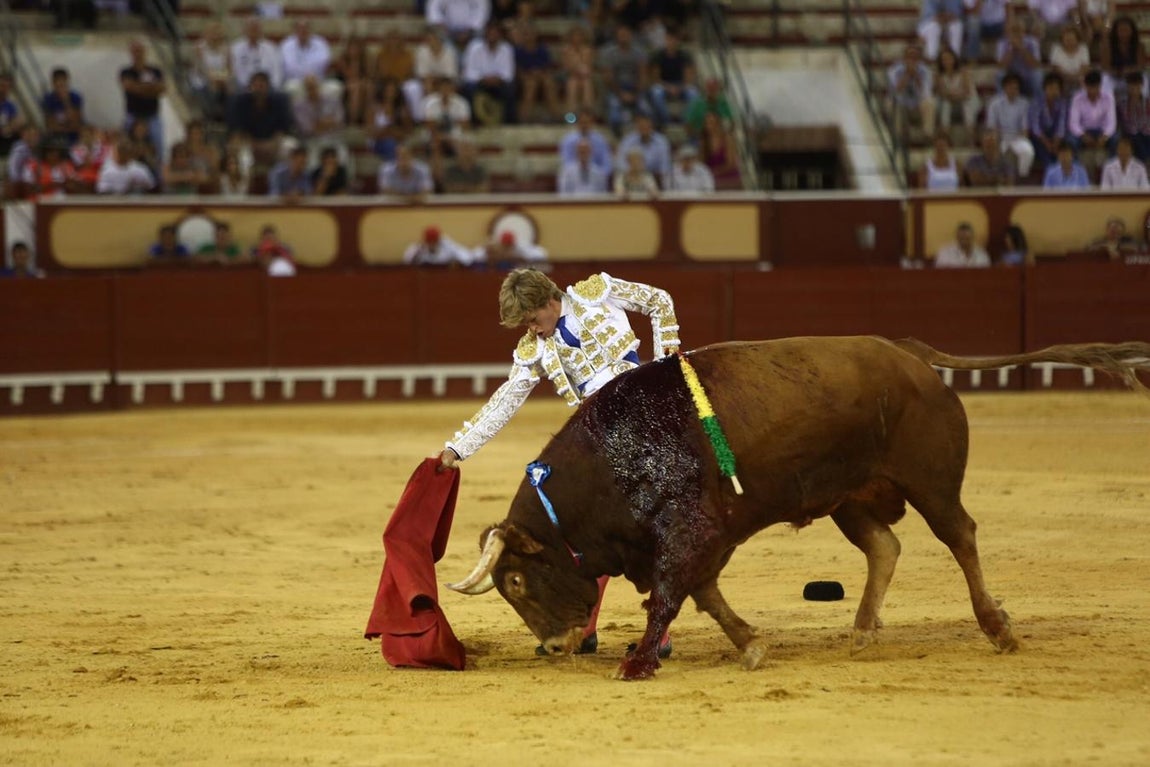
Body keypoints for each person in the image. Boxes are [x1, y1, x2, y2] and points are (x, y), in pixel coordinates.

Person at [437, 268, 681, 657]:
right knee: (591, 534)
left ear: (550, 302)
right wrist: (456, 449)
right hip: (597, 435)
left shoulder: (596, 292)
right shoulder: (534, 349)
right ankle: (584, 629)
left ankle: (659, 635)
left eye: (533, 320)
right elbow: (504, 401)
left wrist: (666, 366)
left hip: (645, 419)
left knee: (649, 529)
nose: (532, 331)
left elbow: (659, 301)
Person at [227, 72, 294, 164]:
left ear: (268, 87)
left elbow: (282, 129)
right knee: (239, 152)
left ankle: (282, 176)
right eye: (255, 85)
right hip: (249, 142)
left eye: (261, 86)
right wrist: (255, 145)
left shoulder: (279, 102)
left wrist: (272, 145)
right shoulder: (240, 102)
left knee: (291, 147)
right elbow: (238, 131)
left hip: (273, 142)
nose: (258, 89)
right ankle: (245, 177)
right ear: (250, 87)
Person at [597, 24, 650, 135]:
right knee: (614, 114)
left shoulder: (639, 53)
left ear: (631, 35)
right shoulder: (608, 53)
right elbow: (608, 78)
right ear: (616, 36)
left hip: (635, 88)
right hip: (615, 89)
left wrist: (635, 94)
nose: (624, 37)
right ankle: (618, 136)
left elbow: (643, 76)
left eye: (626, 34)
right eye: (621, 35)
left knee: (646, 110)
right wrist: (621, 94)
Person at [462, 21, 517, 126]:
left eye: (495, 33)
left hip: (498, 83)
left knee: (510, 89)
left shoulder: (506, 49)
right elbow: (469, 72)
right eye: (490, 32)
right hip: (479, 83)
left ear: (500, 35)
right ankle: (474, 122)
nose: (492, 35)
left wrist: (496, 79)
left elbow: (508, 74)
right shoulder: (474, 47)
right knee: (468, 88)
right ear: (485, 34)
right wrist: (484, 79)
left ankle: (509, 123)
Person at [120, 39, 166, 159]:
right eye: (135, 51)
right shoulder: (126, 72)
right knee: (127, 146)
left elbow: (162, 89)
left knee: (158, 146)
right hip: (133, 115)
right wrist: (151, 88)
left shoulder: (155, 70)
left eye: (140, 51)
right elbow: (129, 87)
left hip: (152, 116)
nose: (138, 54)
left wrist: (139, 88)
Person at [1067, 69, 1117, 175]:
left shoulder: (1108, 98)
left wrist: (1105, 136)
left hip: (1101, 131)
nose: (1093, 91)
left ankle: (1111, 171)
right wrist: (1083, 135)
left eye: (1096, 87)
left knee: (1116, 139)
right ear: (1085, 86)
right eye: (1090, 88)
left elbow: (1111, 122)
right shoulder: (1077, 98)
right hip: (1084, 130)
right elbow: (1073, 123)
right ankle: (1076, 171)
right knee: (1070, 141)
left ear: (1100, 85)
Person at [986, 73, 1035, 178]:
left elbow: (1025, 128)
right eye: (1010, 87)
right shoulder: (994, 103)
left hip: (1018, 137)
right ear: (1004, 88)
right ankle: (998, 177)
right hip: (1000, 137)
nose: (1013, 90)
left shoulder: (1024, 103)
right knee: (994, 150)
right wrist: (997, 141)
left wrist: (1022, 140)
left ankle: (1022, 176)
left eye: (1016, 88)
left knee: (1028, 151)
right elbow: (992, 127)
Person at [647, 26, 697, 128]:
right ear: (665, 40)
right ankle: (666, 120)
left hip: (680, 85)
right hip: (663, 85)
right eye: (669, 39)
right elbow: (655, 78)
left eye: (674, 39)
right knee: (656, 92)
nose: (671, 42)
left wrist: (679, 88)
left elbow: (689, 78)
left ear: (678, 41)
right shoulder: (658, 55)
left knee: (693, 93)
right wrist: (668, 87)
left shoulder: (685, 55)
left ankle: (685, 121)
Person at [280, 21, 337, 103]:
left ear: (310, 30)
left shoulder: (321, 43)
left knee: (335, 88)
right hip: (297, 81)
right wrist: (306, 78)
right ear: (295, 30)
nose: (303, 31)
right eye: (300, 29)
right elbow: (290, 67)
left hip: (318, 81)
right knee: (291, 88)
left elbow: (324, 63)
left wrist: (312, 78)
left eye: (305, 28)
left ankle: (328, 115)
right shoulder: (286, 45)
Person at [515, 23, 560, 123]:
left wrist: (539, 73)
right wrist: (528, 75)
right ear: (523, 35)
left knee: (549, 82)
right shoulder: (518, 50)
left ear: (536, 35)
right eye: (527, 34)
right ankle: (524, 118)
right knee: (531, 84)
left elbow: (548, 66)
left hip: (541, 75)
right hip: (524, 77)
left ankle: (556, 116)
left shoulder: (542, 49)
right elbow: (518, 69)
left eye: (532, 33)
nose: (530, 36)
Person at [887, 43, 936, 136]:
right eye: (910, 55)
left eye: (915, 56)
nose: (912, 58)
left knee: (930, 103)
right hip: (901, 101)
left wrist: (916, 76)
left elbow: (925, 92)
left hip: (918, 103)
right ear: (904, 57)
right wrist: (907, 74)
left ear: (919, 58)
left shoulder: (926, 70)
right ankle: (897, 135)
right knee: (892, 103)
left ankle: (927, 134)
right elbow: (896, 90)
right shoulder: (894, 69)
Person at [934, 47, 981, 141]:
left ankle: (971, 138)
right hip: (952, 103)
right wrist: (952, 96)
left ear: (954, 59)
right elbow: (942, 93)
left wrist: (954, 96)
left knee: (966, 105)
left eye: (949, 58)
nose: (946, 61)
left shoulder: (964, 73)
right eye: (944, 59)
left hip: (969, 100)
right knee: (945, 105)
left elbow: (967, 92)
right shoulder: (939, 76)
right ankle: (945, 137)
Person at [615, 113, 671, 186]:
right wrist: (633, 172)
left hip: (656, 178)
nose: (644, 127)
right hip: (633, 177)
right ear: (636, 126)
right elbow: (620, 163)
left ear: (651, 125)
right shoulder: (628, 140)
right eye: (641, 125)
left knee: (666, 177)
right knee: (620, 177)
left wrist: (653, 177)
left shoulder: (661, 141)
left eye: (647, 125)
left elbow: (665, 166)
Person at [191, 21, 232, 121]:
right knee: (211, 87)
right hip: (202, 78)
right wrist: (212, 78)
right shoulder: (199, 47)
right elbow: (200, 68)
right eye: (213, 33)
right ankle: (210, 114)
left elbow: (228, 69)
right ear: (206, 34)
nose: (215, 36)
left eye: (218, 34)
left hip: (219, 77)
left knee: (229, 87)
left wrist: (223, 78)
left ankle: (225, 115)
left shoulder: (226, 49)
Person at [231, 17, 283, 91]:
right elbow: (235, 71)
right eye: (251, 29)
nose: (253, 31)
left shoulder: (271, 48)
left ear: (261, 31)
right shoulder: (235, 48)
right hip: (244, 88)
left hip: (268, 88)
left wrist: (273, 86)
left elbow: (276, 71)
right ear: (244, 30)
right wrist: (249, 86)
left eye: (256, 28)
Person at [1029, 72, 1069, 169]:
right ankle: (1050, 173)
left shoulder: (1062, 103)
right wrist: (1046, 142)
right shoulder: (1036, 102)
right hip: (1040, 138)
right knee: (1045, 154)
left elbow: (1061, 124)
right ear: (1044, 89)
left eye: (1056, 89)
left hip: (1056, 137)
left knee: (1065, 147)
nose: (1053, 92)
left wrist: (1056, 141)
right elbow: (1035, 127)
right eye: (1050, 88)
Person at [558, 107, 613, 177]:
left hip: (596, 177)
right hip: (574, 177)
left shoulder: (600, 140)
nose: (584, 125)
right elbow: (566, 162)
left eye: (587, 122)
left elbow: (607, 163)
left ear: (591, 123)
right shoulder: (568, 140)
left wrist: (598, 175)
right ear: (578, 123)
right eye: (582, 122)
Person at [995, 18, 1043, 97]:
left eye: (1019, 30)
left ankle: (1037, 102)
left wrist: (1021, 48)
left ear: (1024, 31)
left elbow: (1035, 65)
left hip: (1027, 77)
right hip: (1011, 77)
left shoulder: (1032, 42)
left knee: (1037, 74)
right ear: (1008, 32)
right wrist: (1011, 49)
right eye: (1014, 30)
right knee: (1000, 74)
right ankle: (1002, 101)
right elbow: (1001, 66)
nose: (1016, 33)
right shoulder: (1002, 43)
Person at [559, 25, 596, 114]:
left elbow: (589, 66)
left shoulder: (588, 50)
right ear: (571, 37)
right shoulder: (565, 50)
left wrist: (582, 72)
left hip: (585, 76)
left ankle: (587, 113)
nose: (577, 38)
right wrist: (575, 71)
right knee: (573, 83)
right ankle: (571, 114)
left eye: (579, 36)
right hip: (569, 75)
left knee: (586, 83)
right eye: (575, 36)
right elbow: (566, 67)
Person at [41, 68, 84, 145]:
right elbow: (50, 126)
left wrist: (66, 102)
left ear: (67, 82)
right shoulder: (48, 99)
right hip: (57, 138)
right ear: (53, 84)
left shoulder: (75, 97)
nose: (60, 87)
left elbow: (76, 124)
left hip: (75, 137)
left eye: (63, 84)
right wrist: (68, 127)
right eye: (57, 84)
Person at [699, 111, 740, 188]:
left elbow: (731, 164)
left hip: (729, 178)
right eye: (707, 123)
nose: (709, 125)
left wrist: (713, 173)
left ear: (718, 124)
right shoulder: (704, 141)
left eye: (711, 122)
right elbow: (701, 163)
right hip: (710, 178)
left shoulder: (727, 139)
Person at [1116, 71, 1150, 161]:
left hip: (1146, 133)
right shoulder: (1122, 104)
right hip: (1131, 134)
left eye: (1137, 86)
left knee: (1144, 137)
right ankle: (1146, 161)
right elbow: (1124, 124)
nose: (1134, 90)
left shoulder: (1148, 102)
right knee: (1136, 137)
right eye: (1132, 87)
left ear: (1142, 86)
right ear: (1128, 87)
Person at [403, 225, 475, 266]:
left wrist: (457, 262)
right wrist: (417, 253)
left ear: (438, 240)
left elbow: (467, 258)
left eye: (434, 241)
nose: (432, 243)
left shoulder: (448, 245)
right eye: (429, 241)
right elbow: (407, 261)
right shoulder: (418, 247)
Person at [1049, 24, 1091, 92]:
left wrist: (1075, 77)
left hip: (1079, 79)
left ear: (1077, 39)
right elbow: (1055, 68)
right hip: (1061, 79)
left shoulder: (1083, 48)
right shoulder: (1056, 48)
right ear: (1062, 39)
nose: (1069, 41)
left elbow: (1085, 68)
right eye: (1066, 39)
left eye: (1071, 39)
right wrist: (1067, 78)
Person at [477, 230, 548, 268]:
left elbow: (542, 254)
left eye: (509, 246)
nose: (507, 248)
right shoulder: (488, 251)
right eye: (505, 246)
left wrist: (518, 258)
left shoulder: (521, 249)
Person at [0, 72, 26, 157]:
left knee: (21, 122)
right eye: (2, 85)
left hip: (5, 134)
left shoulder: (9, 105)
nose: (4, 89)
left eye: (7, 87)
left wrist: (10, 127)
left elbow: (16, 122)